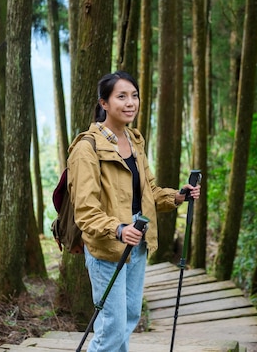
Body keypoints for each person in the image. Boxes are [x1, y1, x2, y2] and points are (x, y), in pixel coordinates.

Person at [67, 71, 200, 352]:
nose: (130, 102)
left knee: (128, 318)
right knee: (112, 327)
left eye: (134, 95)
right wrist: (117, 229)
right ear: (104, 103)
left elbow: (148, 192)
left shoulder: (134, 140)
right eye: (122, 96)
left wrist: (177, 196)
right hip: (107, 247)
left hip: (138, 242)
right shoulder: (86, 148)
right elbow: (86, 210)